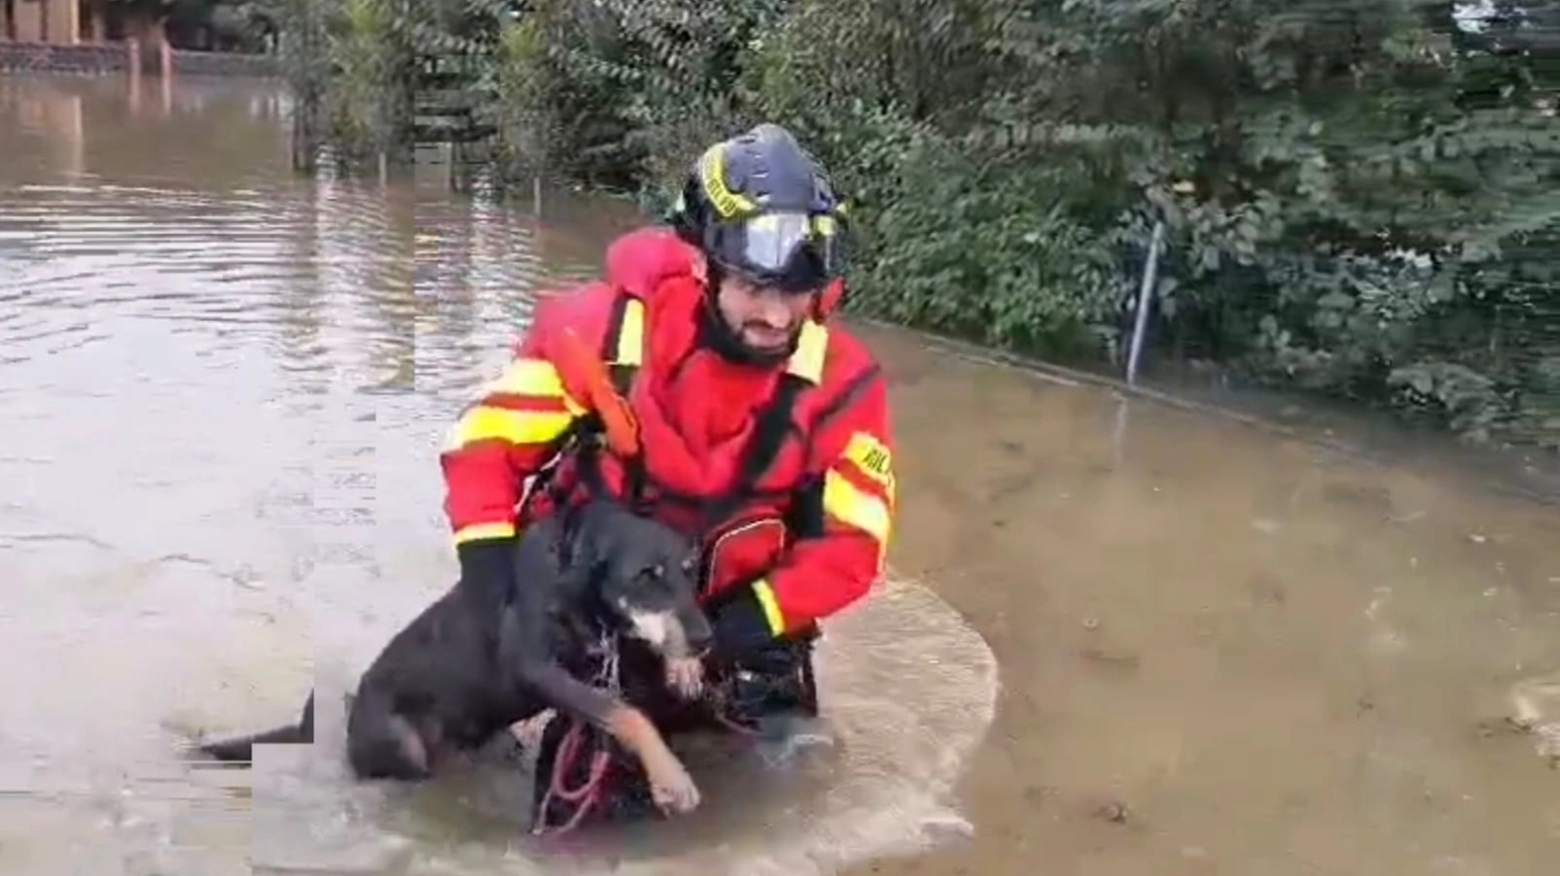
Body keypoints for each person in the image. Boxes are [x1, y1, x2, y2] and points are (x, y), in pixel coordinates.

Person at [439, 123, 897, 821]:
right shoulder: (599, 334)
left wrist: (744, 624)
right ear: (703, 265)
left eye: (796, 292)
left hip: (737, 627)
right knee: (432, 745)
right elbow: (484, 447)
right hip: (584, 610)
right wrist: (488, 576)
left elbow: (855, 545)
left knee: (788, 793)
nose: (777, 315)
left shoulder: (845, 383)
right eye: (753, 286)